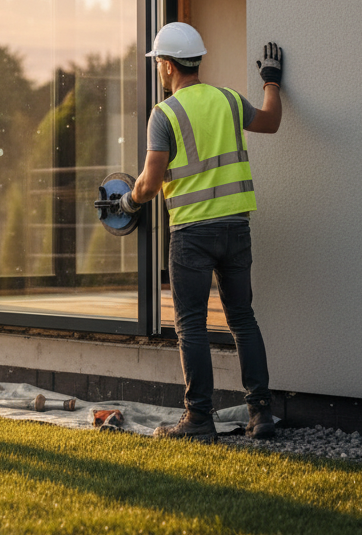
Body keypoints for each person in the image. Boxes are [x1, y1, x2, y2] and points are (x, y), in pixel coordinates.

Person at [117, 22, 283, 442]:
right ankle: (261, 414)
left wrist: (130, 201)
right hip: (236, 227)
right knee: (242, 318)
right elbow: (270, 122)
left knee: (190, 325)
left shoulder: (165, 113)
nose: (158, 69)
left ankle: (198, 420)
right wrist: (271, 82)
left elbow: (151, 181)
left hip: (192, 232)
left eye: (158, 63)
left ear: (169, 66)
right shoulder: (228, 99)